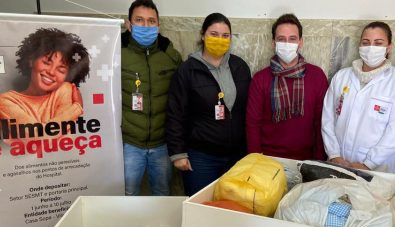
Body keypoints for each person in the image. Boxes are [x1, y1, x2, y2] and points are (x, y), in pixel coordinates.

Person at [166, 13, 251, 196]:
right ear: (203, 35)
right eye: (214, 34)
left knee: (231, 208)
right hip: (201, 157)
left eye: (225, 35)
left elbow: (247, 110)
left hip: (236, 156)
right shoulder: (187, 70)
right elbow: (176, 112)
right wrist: (178, 153)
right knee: (201, 208)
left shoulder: (240, 67)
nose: (219, 39)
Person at [321, 21, 395, 173]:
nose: (371, 48)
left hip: (377, 168)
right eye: (366, 43)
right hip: (339, 162)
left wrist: (369, 163)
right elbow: (327, 118)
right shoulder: (341, 77)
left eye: (378, 43)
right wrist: (334, 154)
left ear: (388, 47)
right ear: (359, 46)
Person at [121, 0, 182, 196]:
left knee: (162, 194)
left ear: (158, 26)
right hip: (129, 143)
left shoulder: (170, 55)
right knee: (128, 195)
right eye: (139, 20)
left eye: (151, 21)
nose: (145, 26)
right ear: (128, 24)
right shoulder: (116, 53)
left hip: (162, 143)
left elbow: (181, 98)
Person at [246, 13, 328, 161]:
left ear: (301, 42)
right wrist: (256, 160)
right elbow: (253, 124)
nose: (287, 44)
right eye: (281, 39)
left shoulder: (317, 76)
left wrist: (318, 160)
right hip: (268, 160)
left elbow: (321, 121)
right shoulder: (260, 79)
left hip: (306, 159)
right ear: (273, 43)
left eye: (292, 39)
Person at [0, 28, 89, 138]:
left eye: (61, 70)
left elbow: (62, 139)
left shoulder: (64, 90)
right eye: (46, 62)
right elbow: (35, 138)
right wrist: (76, 109)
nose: (51, 72)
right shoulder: (5, 101)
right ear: (31, 60)